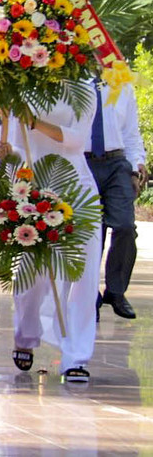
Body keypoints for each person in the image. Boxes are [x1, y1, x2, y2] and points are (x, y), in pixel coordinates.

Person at [1, 86, 99, 382]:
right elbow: (12, 143)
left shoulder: (83, 87)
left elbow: (78, 139)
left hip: (75, 184)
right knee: (32, 274)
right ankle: (26, 335)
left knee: (83, 271)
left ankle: (75, 355)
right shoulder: (17, 81)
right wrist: (4, 155)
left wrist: (34, 121)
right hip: (32, 181)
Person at [91, 79, 144, 320]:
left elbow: (131, 131)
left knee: (124, 226)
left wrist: (135, 168)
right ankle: (89, 295)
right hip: (83, 161)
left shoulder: (121, 82)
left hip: (117, 163)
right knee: (91, 233)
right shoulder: (71, 78)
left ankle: (116, 290)